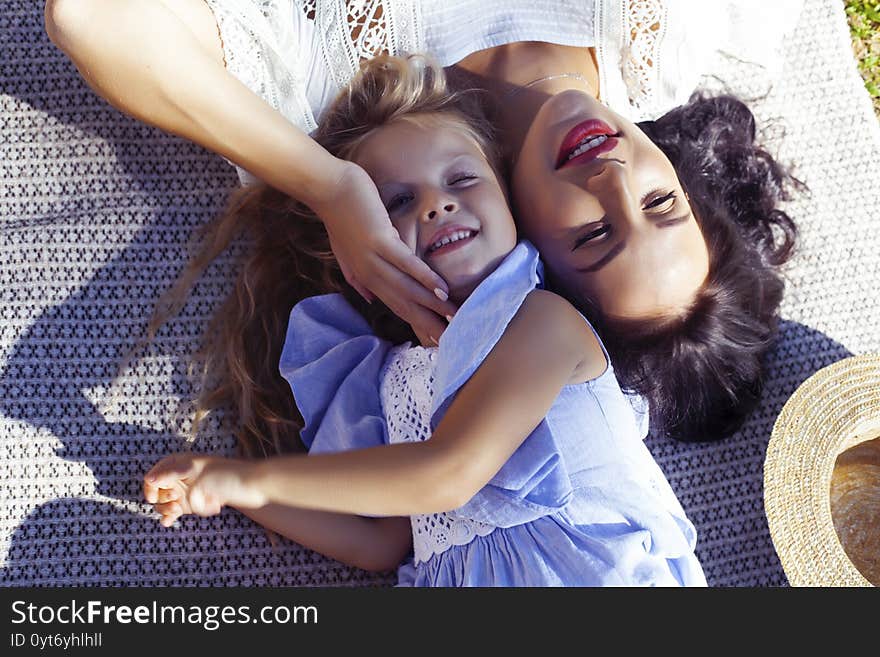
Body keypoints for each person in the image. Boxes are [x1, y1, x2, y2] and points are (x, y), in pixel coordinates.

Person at [45, 0, 804, 443]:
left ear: (532, 264)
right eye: (659, 204)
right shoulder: (676, 35)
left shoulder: (338, 104)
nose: (613, 178)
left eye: (595, 235)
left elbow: (91, 17)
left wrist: (330, 185)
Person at [143, 54, 706, 586]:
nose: (436, 205)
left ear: (511, 200)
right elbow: (379, 546)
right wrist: (233, 490)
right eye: (396, 203)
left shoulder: (543, 322)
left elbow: (449, 472)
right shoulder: (397, 382)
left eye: (463, 181)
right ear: (357, 253)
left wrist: (253, 480)